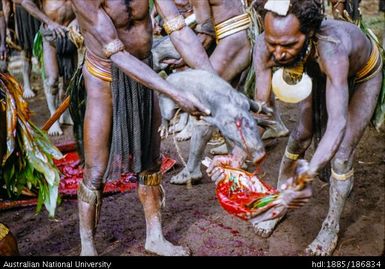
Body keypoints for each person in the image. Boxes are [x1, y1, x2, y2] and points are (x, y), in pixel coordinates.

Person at [70, 0, 213, 256]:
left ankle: (155, 237)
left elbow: (177, 28)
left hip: (145, 68)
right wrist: (174, 92)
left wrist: (212, 82)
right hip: (104, 76)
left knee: (151, 161)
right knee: (95, 170)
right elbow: (117, 54)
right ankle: (87, 249)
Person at [247, 0, 383, 255]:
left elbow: (338, 124)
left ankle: (330, 226)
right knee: (301, 133)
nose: (278, 53)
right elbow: (262, 113)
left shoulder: (332, 48)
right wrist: (239, 152)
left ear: (308, 33)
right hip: (314, 66)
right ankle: (279, 203)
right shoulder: (266, 46)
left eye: (288, 44)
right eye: (272, 43)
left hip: (362, 73)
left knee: (341, 156)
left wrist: (305, 175)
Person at [14, 0, 77, 135]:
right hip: (50, 35)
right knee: (52, 79)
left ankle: (64, 113)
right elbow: (26, 2)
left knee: (69, 78)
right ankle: (53, 116)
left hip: (70, 34)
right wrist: (50, 22)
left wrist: (77, 19)